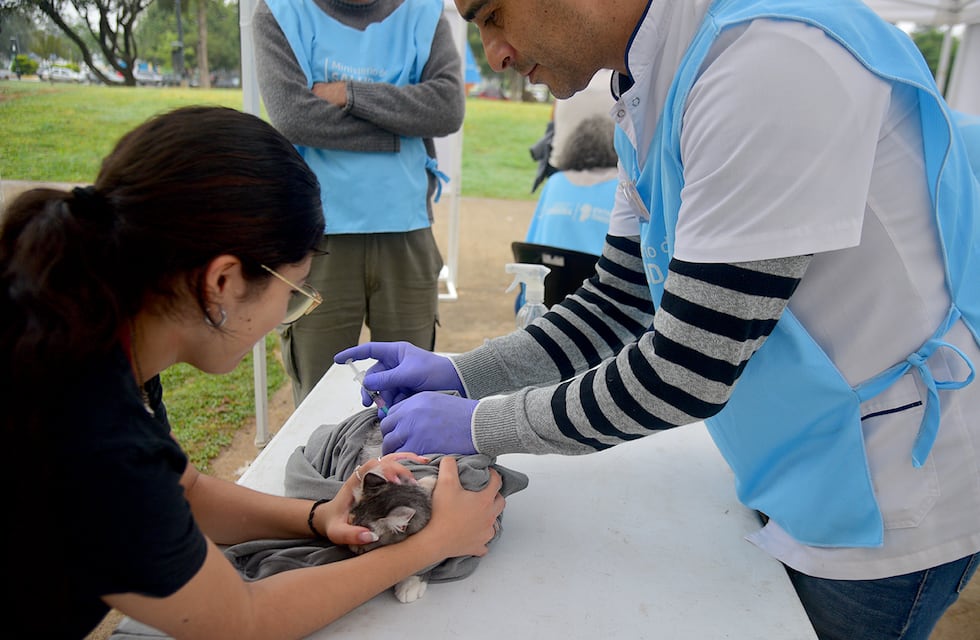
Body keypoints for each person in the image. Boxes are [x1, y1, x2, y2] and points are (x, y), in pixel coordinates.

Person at [337, 1, 980, 638]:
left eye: (493, 14)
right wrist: (462, 373)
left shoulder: (767, 62)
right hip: (800, 454)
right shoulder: (650, 84)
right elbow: (619, 301)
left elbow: (686, 370)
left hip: (886, 483)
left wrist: (481, 423)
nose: (495, 54)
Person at [0, 106, 504, 639]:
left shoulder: (82, 341)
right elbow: (242, 621)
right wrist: (432, 543)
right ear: (223, 282)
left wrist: (319, 516)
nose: (286, 314)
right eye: (293, 293)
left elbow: (184, 492)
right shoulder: (93, 438)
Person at [252, 0, 465, 407]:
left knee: (412, 394)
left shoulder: (422, 13)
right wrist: (397, 133)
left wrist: (348, 93)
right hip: (315, 237)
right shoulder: (280, 12)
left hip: (406, 229)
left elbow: (446, 108)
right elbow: (293, 116)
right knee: (319, 400)